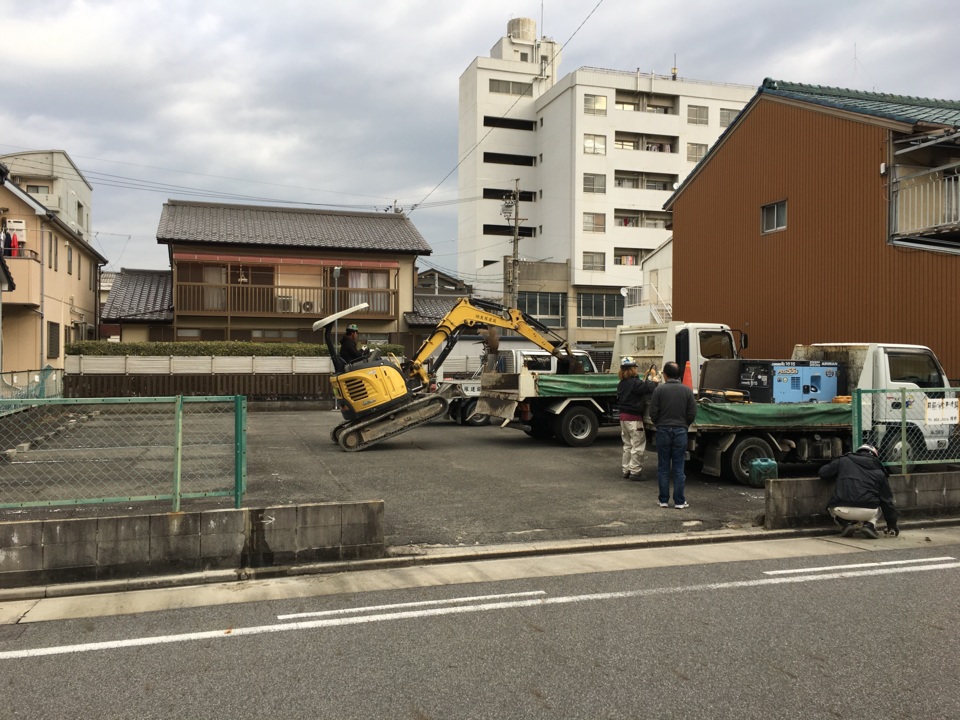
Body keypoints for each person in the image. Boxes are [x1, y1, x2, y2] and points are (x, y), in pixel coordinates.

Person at [819, 443, 899, 539]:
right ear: (874, 456)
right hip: (868, 511)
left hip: (842, 510)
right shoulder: (880, 471)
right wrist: (892, 524)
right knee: (881, 504)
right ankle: (870, 525)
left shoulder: (844, 461)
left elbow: (823, 472)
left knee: (832, 506)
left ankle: (846, 524)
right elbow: (887, 501)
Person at [649, 361, 697, 509]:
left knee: (663, 467)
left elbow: (653, 413)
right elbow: (692, 414)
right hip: (681, 431)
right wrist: (684, 425)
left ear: (665, 375)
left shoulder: (659, 390)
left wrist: (659, 424)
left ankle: (663, 500)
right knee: (678, 467)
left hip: (663, 430)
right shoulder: (687, 391)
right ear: (679, 375)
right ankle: (680, 501)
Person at [617, 357, 656, 480]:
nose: (635, 370)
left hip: (623, 418)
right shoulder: (635, 383)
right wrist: (653, 380)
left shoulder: (621, 384)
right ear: (631, 369)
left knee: (627, 445)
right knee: (637, 445)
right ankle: (635, 472)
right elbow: (649, 389)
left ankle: (626, 470)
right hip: (634, 418)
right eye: (634, 367)